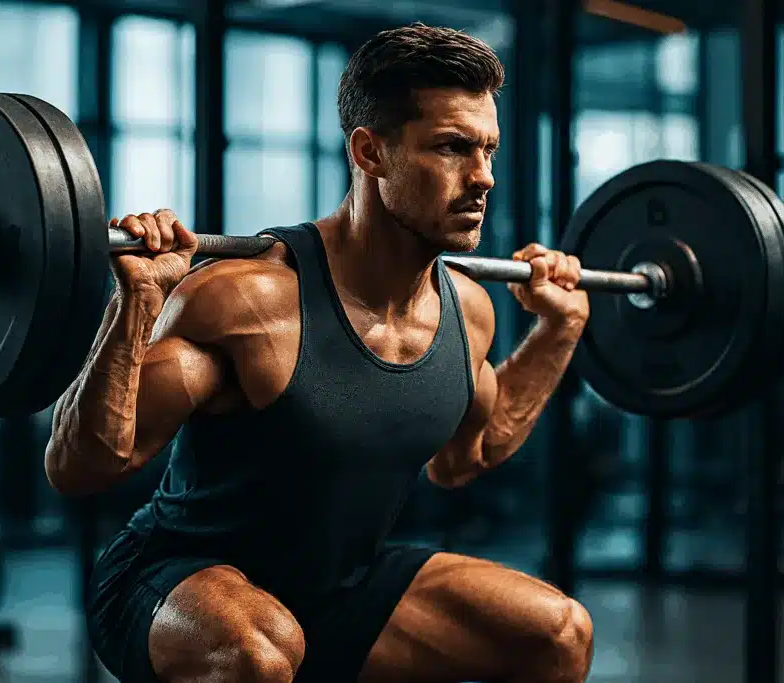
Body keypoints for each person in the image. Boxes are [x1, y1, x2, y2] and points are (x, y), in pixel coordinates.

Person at [46, 22, 594, 683]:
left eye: (489, 152)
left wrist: (558, 332)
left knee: (558, 632)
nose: (482, 178)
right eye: (451, 149)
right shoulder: (246, 302)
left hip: (337, 589)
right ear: (370, 153)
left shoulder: (468, 310)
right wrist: (133, 304)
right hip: (172, 581)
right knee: (260, 650)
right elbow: (80, 467)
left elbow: (465, 455)